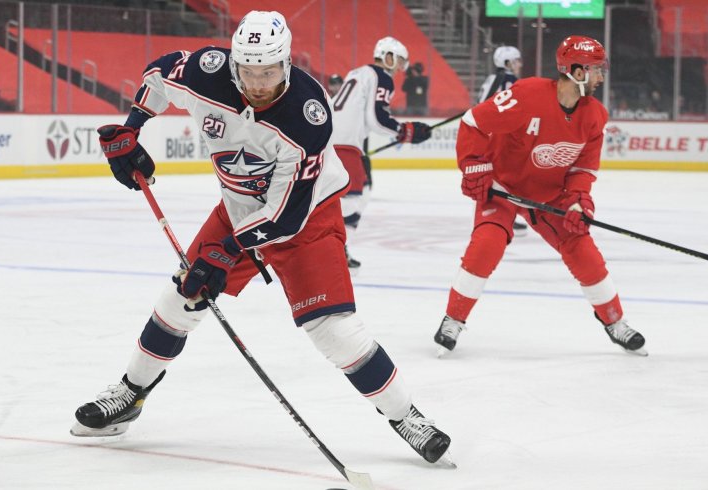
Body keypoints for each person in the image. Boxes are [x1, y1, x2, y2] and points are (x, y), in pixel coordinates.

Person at [72, 11, 452, 465]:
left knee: (335, 332)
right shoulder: (208, 73)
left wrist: (227, 251)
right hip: (238, 209)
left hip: (307, 216)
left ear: (286, 63)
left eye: (268, 71)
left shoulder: (307, 115)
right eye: (248, 71)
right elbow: (159, 74)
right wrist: (132, 128)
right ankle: (130, 394)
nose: (257, 82)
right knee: (181, 298)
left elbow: (286, 214)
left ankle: (405, 415)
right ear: (234, 63)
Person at [433, 35, 647, 358]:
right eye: (596, 70)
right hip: (503, 185)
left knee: (582, 248)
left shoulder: (594, 116)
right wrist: (475, 166)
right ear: (576, 71)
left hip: (550, 194)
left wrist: (579, 201)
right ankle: (453, 319)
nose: (602, 77)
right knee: (487, 243)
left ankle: (615, 321)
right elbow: (473, 122)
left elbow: (583, 170)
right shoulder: (527, 95)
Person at [331, 37, 432, 272]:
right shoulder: (381, 76)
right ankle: (333, 247)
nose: (399, 69)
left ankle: (334, 245)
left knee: (353, 195)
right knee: (354, 199)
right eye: (399, 62)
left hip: (333, 141)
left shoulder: (358, 72)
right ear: (388, 56)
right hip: (344, 145)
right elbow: (376, 118)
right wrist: (404, 131)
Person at [478, 46, 529, 235]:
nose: (519, 64)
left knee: (499, 179)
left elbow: (481, 106)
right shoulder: (512, 82)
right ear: (507, 63)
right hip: (503, 138)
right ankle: (503, 215)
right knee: (509, 178)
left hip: (491, 136)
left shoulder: (492, 79)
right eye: (516, 61)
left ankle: (499, 214)